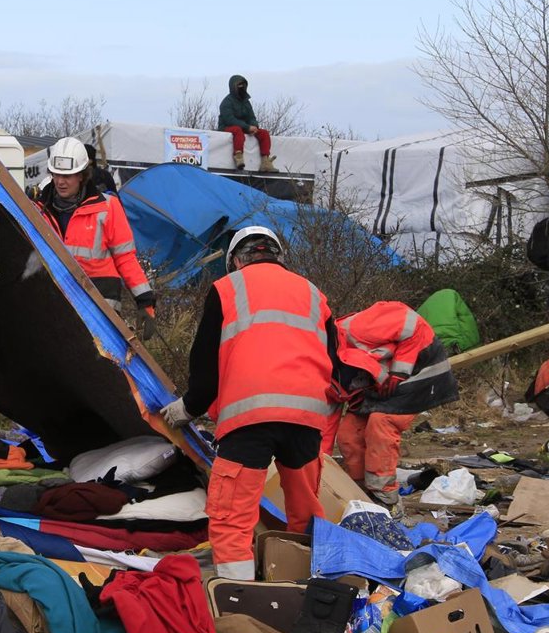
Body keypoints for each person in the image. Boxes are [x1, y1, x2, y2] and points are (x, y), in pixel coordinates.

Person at [159, 226, 337, 577]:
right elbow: (334, 360)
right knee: (306, 510)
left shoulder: (227, 289)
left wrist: (188, 407)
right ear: (278, 256)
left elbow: (206, 363)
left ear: (235, 260)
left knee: (232, 519)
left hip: (249, 417)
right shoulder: (314, 294)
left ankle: (237, 599)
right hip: (306, 418)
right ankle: (307, 585)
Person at [331, 301, 456, 517]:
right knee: (348, 434)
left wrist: (400, 369)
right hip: (382, 385)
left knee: (382, 423)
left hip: (422, 372)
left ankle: (386, 500)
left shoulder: (357, 328)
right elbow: (327, 419)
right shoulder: (322, 362)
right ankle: (360, 493)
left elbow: (411, 322)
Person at [35, 137, 156, 338]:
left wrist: (144, 299)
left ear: (82, 175)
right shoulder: (37, 211)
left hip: (101, 310)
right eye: (56, 174)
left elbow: (125, 258)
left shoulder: (108, 207)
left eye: (68, 175)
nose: (60, 181)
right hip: (54, 306)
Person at [218, 75, 276, 173]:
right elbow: (229, 120)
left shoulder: (246, 102)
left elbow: (252, 117)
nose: (241, 87)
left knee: (264, 133)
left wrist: (254, 126)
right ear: (233, 86)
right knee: (237, 130)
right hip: (227, 127)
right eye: (239, 85)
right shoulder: (226, 102)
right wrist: (247, 127)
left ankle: (265, 162)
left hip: (245, 127)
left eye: (243, 85)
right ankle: (238, 157)